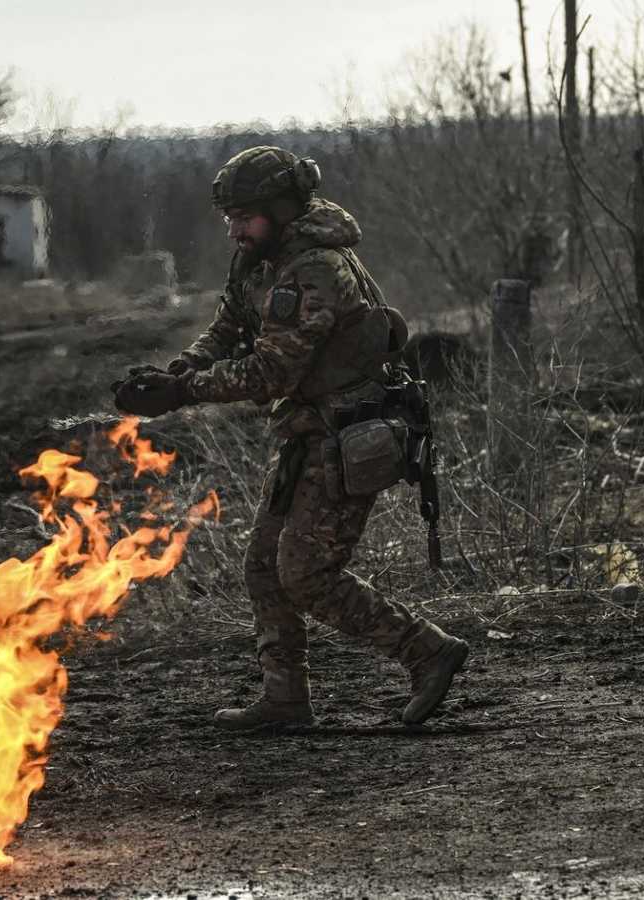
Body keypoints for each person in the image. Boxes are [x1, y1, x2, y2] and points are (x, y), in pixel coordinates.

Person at [112, 146, 469, 729]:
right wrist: (177, 372)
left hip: (348, 434)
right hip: (308, 431)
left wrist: (184, 393)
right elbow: (229, 325)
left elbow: (271, 372)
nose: (234, 230)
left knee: (305, 575)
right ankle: (284, 699)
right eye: (229, 218)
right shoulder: (260, 257)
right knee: (262, 566)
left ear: (279, 209)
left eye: (244, 217)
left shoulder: (315, 270)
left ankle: (427, 651)